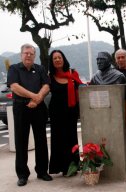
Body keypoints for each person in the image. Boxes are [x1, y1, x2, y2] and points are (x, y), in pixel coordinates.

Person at [7, 43, 52, 186]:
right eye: (26, 53)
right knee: (21, 142)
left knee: (41, 141)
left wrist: (38, 98)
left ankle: (42, 171)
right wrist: (34, 96)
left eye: (31, 53)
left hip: (38, 108)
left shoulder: (40, 69)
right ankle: (22, 174)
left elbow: (46, 85)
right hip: (21, 107)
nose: (28, 55)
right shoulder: (14, 68)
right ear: (21, 55)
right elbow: (14, 86)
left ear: (34, 56)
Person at [48, 50, 83, 176]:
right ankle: (60, 167)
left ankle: (73, 167)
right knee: (58, 139)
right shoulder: (50, 76)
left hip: (71, 111)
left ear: (64, 59)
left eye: (59, 57)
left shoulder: (73, 73)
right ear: (52, 62)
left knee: (71, 138)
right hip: (56, 112)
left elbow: (80, 90)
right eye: (54, 58)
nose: (57, 60)